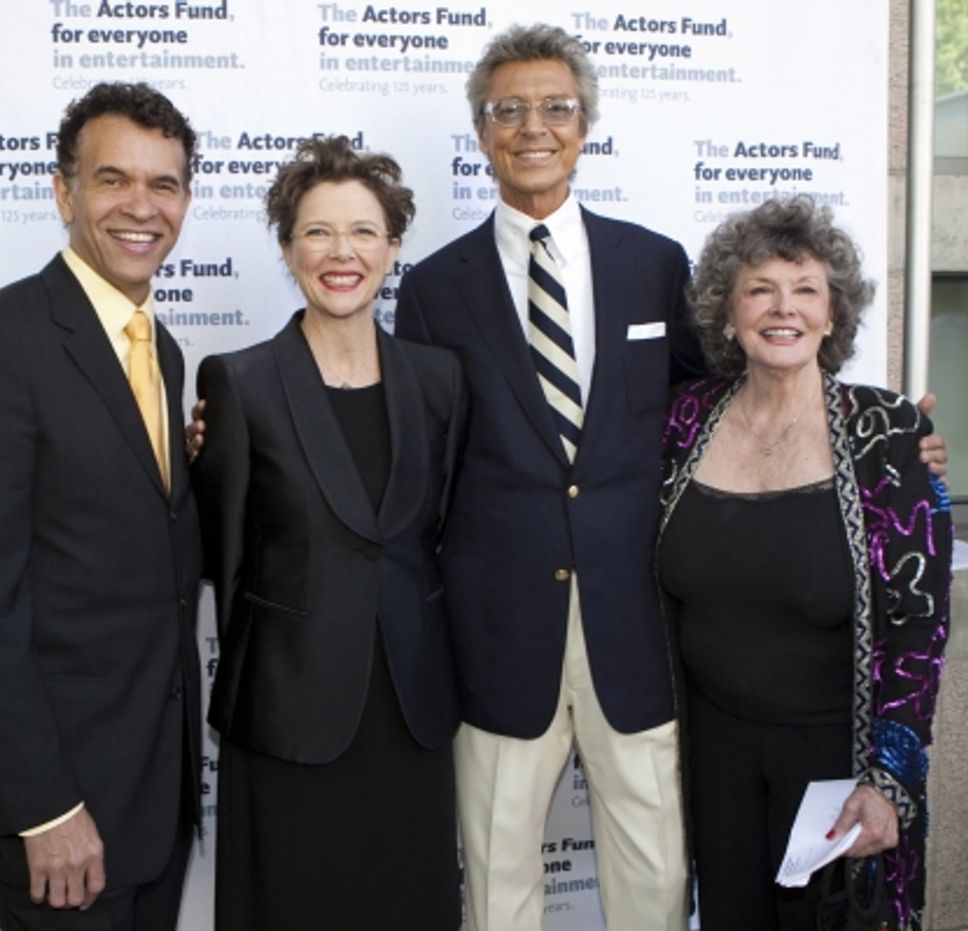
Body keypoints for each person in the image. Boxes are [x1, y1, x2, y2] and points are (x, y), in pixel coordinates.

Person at [389, 22, 949, 931]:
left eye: (557, 108)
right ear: (483, 130)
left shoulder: (651, 265)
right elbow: (410, 452)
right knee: (497, 886)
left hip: (638, 638)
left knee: (653, 883)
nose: (535, 126)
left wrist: (895, 446)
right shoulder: (432, 287)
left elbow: (724, 402)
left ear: (585, 126)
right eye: (510, 110)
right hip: (495, 637)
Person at [0, 82, 201, 931]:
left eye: (165, 184)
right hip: (63, 812)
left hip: (155, 795)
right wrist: (42, 807)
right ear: (63, 191)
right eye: (113, 179)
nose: (140, 207)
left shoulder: (165, 350)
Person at [194, 136, 468, 931]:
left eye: (362, 232)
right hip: (290, 712)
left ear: (393, 247)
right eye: (317, 232)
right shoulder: (238, 381)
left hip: (410, 709)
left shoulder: (438, 378)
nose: (341, 252)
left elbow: (439, 528)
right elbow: (225, 555)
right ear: (287, 248)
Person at [657, 196, 952, 930]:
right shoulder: (683, 416)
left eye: (805, 289)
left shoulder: (887, 431)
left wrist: (889, 779)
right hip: (711, 753)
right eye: (760, 288)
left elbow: (921, 628)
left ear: (832, 312)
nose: (782, 308)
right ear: (729, 309)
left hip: (836, 760)